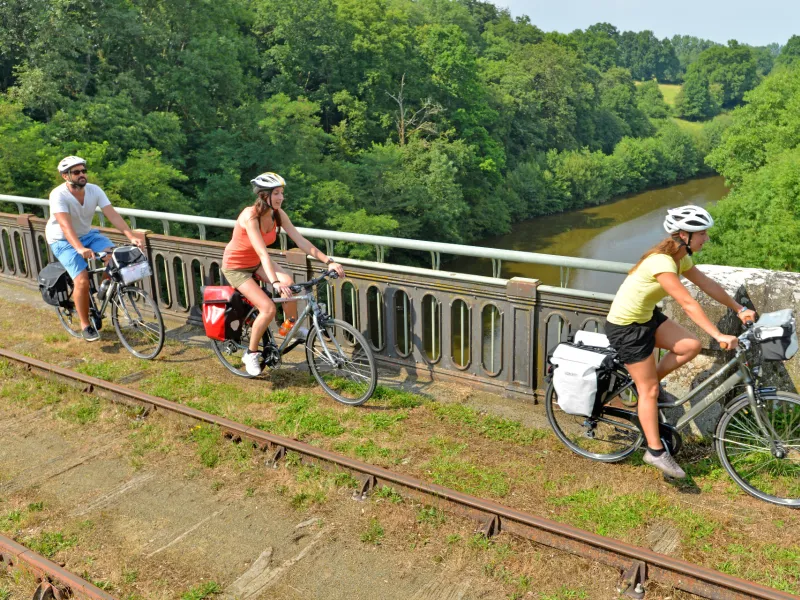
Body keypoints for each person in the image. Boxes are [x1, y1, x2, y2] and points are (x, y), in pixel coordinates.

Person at [604, 205, 756, 479]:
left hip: (647, 318)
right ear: (684, 235)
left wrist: (737, 307)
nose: (706, 238)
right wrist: (719, 335)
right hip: (626, 327)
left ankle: (644, 387)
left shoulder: (679, 257)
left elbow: (707, 284)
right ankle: (655, 451)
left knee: (689, 346)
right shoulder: (661, 262)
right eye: (702, 234)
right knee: (650, 390)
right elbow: (687, 303)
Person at [221, 172, 345, 376]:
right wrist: (275, 282)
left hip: (256, 263)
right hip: (236, 267)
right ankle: (250, 354)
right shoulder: (249, 216)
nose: (281, 197)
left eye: (282, 193)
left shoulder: (277, 214)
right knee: (268, 308)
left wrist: (329, 261)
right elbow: (262, 252)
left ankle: (290, 328)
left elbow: (301, 241)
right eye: (276, 193)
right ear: (263, 195)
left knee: (291, 284)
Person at [46, 156, 144, 342]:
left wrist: (131, 236)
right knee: (81, 280)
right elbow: (65, 227)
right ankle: (85, 325)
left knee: (115, 259)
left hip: (88, 234)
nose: (82, 174)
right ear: (65, 176)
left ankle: (103, 288)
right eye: (76, 172)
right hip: (63, 239)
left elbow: (112, 215)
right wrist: (79, 248)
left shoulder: (94, 190)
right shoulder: (58, 195)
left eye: (83, 171)